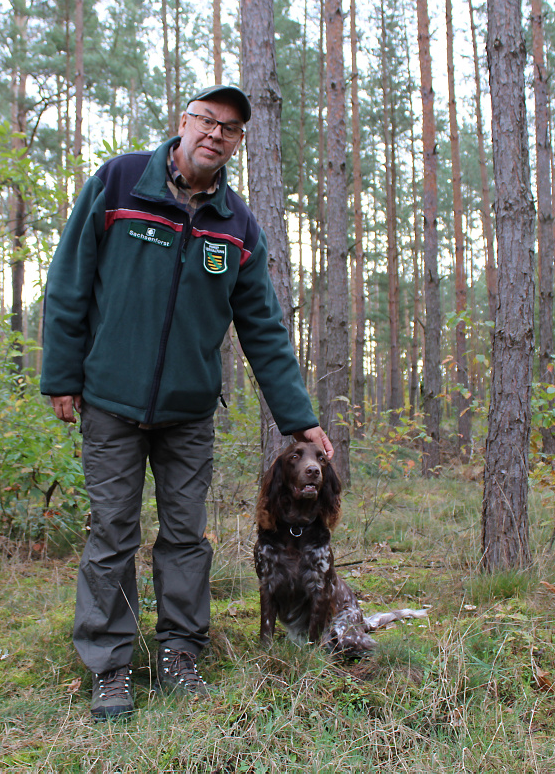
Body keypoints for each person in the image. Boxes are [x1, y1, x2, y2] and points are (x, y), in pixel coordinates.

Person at [40, 84, 332, 722]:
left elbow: (263, 328)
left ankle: (179, 652)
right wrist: (62, 375)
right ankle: (110, 666)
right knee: (112, 533)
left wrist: (298, 416)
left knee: (183, 538)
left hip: (189, 413)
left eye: (230, 128)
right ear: (183, 122)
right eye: (206, 120)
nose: (216, 134)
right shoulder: (119, 183)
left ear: (238, 142)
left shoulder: (237, 224)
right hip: (111, 402)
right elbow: (69, 279)